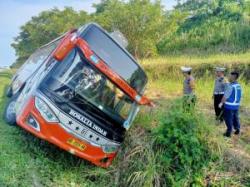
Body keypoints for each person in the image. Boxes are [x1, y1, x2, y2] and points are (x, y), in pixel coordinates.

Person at [219, 71, 242, 137]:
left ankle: (228, 133)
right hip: (236, 105)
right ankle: (237, 129)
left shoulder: (230, 86)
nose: (229, 77)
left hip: (229, 106)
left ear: (233, 77)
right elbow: (240, 95)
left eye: (230, 76)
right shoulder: (238, 85)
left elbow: (225, 96)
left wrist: (221, 103)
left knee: (228, 119)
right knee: (235, 118)